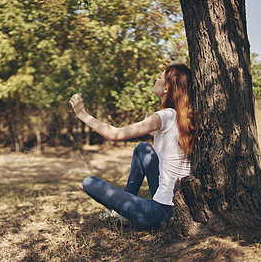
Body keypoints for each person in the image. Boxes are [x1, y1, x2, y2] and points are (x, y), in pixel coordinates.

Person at [69, 64, 195, 230]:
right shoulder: (184, 116)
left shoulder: (165, 115)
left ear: (166, 88)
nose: (156, 79)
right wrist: (153, 133)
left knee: (89, 182)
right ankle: (124, 211)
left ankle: (124, 213)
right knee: (143, 149)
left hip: (159, 213)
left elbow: (114, 134)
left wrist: (82, 114)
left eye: (159, 77)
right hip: (179, 204)